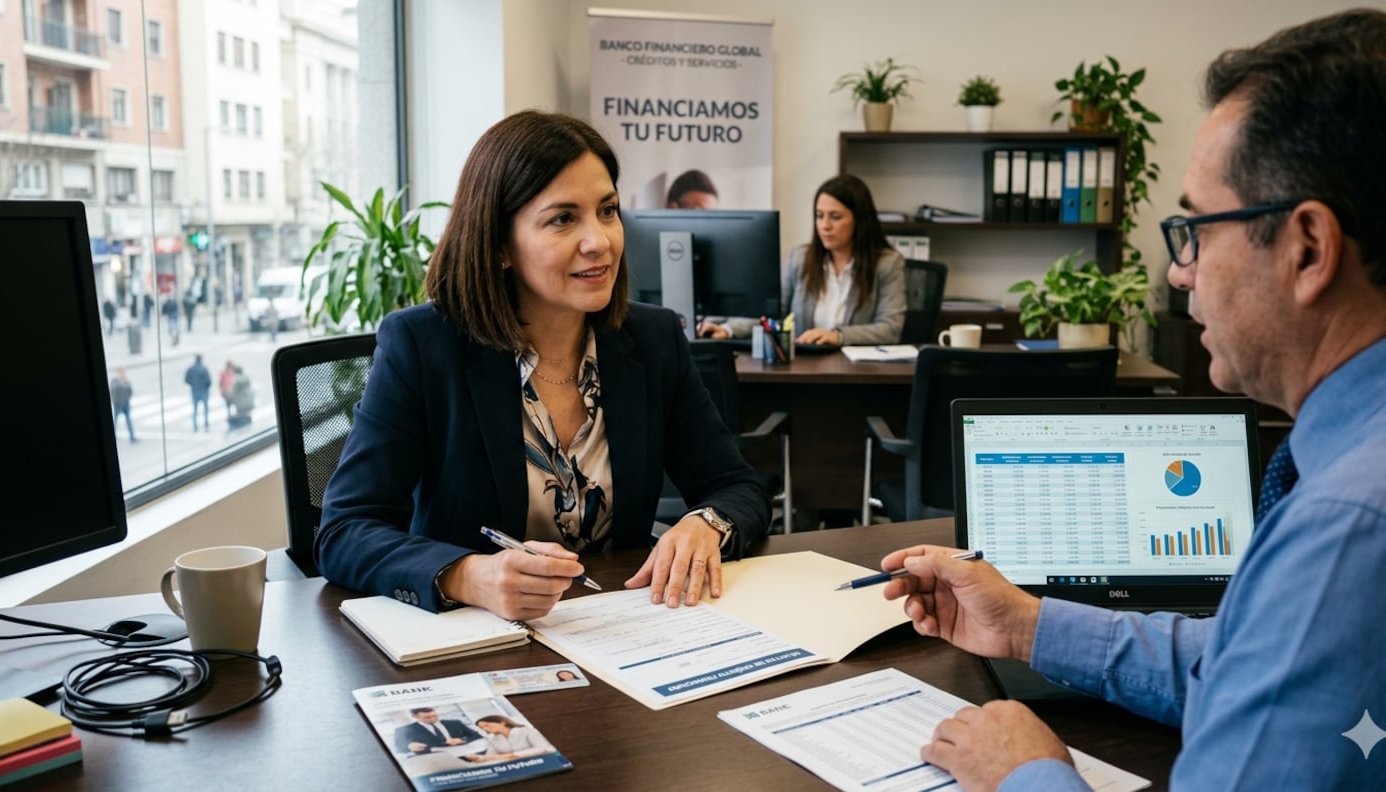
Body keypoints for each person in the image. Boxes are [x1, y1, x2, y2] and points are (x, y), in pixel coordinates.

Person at [880, 10, 1386, 790]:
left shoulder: (1345, 531)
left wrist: (1027, 773)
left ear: (1307, 248)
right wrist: (1027, 623)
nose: (1180, 273)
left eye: (1197, 230)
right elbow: (1244, 668)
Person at [314, 110, 769, 623]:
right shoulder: (423, 346)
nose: (599, 240)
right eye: (562, 219)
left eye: (607, 210)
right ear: (501, 245)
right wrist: (469, 575)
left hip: (624, 627)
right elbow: (344, 531)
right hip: (479, 645)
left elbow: (738, 486)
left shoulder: (651, 338)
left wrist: (706, 523)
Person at [698, 174, 905, 346]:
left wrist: (838, 336)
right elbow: (771, 313)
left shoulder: (887, 264)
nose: (824, 225)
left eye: (835, 217)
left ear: (859, 221)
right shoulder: (798, 259)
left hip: (857, 373)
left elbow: (890, 329)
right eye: (819, 215)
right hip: (804, 367)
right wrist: (728, 329)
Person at [462, 715, 553, 762]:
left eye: (487, 725)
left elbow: (544, 748)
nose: (485, 729)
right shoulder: (493, 739)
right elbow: (491, 756)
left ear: (502, 723)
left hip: (540, 761)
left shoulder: (526, 731)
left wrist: (510, 755)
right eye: (482, 728)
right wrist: (479, 758)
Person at [392, 707, 479, 755]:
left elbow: (476, 735)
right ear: (415, 716)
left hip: (465, 754)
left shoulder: (455, 723)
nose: (433, 719)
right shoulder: (403, 730)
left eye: (435, 715)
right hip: (433, 760)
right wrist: (409, 747)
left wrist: (462, 740)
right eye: (427, 717)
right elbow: (399, 749)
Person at [184, 354, 212, 432]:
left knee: (195, 409)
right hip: (203, 391)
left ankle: (195, 424)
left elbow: (186, 380)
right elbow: (209, 381)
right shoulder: (204, 369)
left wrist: (193, 384)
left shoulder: (190, 369)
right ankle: (206, 423)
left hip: (194, 391)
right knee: (205, 408)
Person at [109, 367, 136, 442]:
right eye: (121, 373)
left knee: (128, 420)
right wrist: (123, 383)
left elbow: (130, 391)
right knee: (115, 421)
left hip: (126, 404)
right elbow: (114, 390)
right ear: (118, 373)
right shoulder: (115, 381)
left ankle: (132, 436)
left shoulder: (126, 381)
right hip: (118, 405)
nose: (123, 374)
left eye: (123, 372)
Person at [227, 365, 254, 430]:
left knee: (241, 417)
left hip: (240, 402)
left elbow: (233, 393)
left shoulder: (236, 380)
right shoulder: (246, 378)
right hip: (248, 400)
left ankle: (244, 430)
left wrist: (229, 398)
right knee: (247, 415)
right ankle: (249, 428)